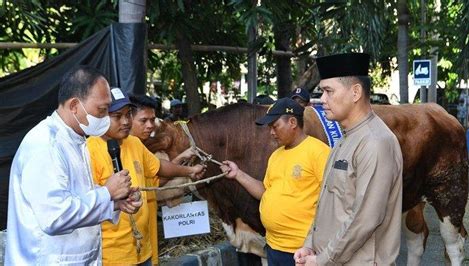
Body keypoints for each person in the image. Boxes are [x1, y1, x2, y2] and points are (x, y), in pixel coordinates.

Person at [5, 66, 141, 264]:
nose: (105, 118)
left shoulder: (76, 140)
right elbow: (55, 216)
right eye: (102, 111)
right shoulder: (45, 145)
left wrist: (115, 203)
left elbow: (76, 196)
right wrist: (106, 193)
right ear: (75, 106)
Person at [294, 53, 403, 265]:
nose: (322, 99)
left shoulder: (375, 142)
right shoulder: (346, 138)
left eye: (328, 91)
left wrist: (324, 259)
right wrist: (309, 244)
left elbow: (365, 218)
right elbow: (328, 205)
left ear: (355, 92)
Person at [87, 88, 205, 265]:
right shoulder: (88, 151)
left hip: (144, 250)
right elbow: (87, 205)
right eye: (118, 117)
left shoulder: (133, 143)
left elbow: (159, 167)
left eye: (128, 115)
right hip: (112, 256)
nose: (126, 121)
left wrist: (190, 171)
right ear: (100, 116)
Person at [220, 97, 330, 265]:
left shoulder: (319, 152)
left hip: (302, 250)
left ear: (292, 122)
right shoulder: (276, 156)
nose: (271, 132)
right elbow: (265, 191)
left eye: (275, 126)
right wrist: (238, 174)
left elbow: (333, 200)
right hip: (274, 246)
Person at [129, 94, 196, 265]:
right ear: (127, 117)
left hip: (147, 241)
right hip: (127, 248)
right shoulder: (113, 148)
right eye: (143, 121)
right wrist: (187, 168)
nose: (150, 126)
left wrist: (186, 165)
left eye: (152, 120)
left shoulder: (138, 146)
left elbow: (157, 178)